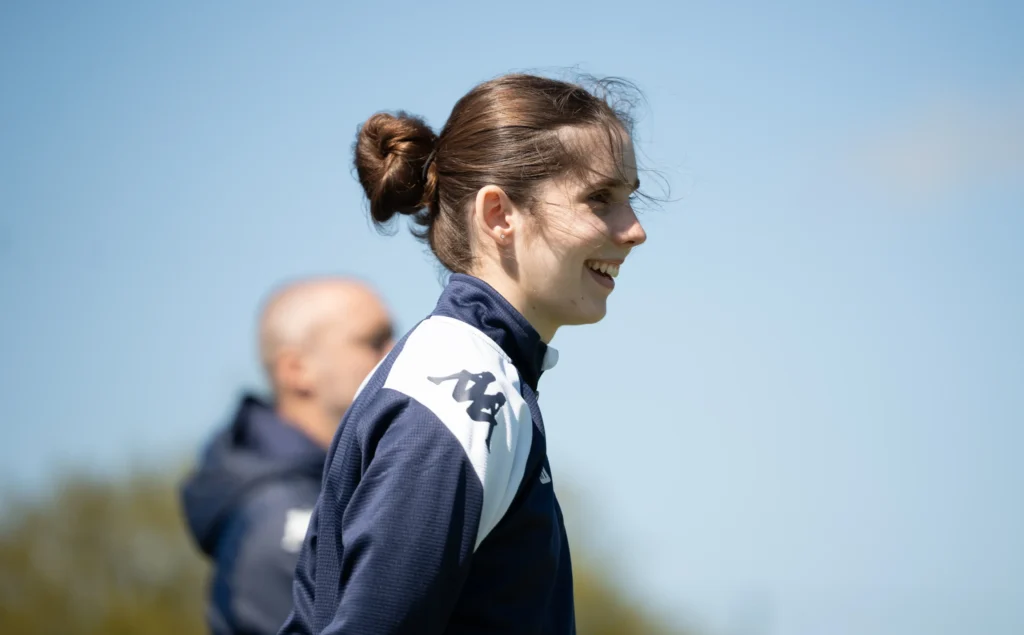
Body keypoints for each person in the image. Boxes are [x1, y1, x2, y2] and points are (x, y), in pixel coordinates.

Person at [279, 73, 648, 635]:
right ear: (499, 214)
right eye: (600, 198)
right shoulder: (458, 396)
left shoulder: (483, 375)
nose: (635, 230)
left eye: (631, 197)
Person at [181, 277, 394, 635]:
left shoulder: (336, 483)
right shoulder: (278, 522)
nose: (396, 355)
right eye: (373, 342)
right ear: (296, 370)